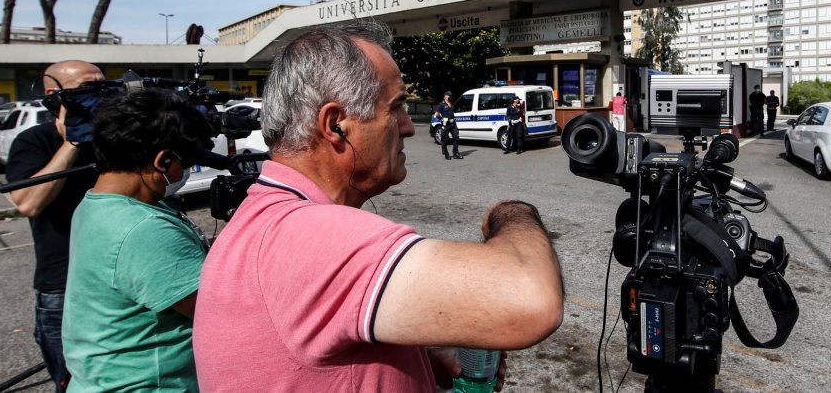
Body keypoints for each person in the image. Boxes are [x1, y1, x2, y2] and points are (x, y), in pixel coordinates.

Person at [193, 24, 564, 392]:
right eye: (397, 107)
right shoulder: (311, 236)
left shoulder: (267, 216)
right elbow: (530, 299)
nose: (409, 128)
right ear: (335, 125)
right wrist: (513, 212)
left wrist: (413, 366)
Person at [62, 88, 214, 392]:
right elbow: (219, 310)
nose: (185, 171)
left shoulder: (97, 203)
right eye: (185, 162)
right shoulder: (143, 229)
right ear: (162, 160)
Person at [6, 60, 104, 392]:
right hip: (63, 285)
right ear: (55, 95)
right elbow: (28, 203)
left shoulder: (111, 138)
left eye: (102, 86)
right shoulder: (34, 141)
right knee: (75, 382)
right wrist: (72, 144)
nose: (98, 94)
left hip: (116, 277)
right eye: (88, 87)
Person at [434, 89, 463, 160]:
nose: (450, 96)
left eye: (450, 95)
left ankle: (455, 153)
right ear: (445, 96)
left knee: (456, 137)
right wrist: (442, 118)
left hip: (453, 124)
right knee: (444, 139)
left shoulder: (451, 103)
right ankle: (446, 154)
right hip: (445, 124)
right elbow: (437, 114)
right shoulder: (441, 105)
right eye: (448, 95)